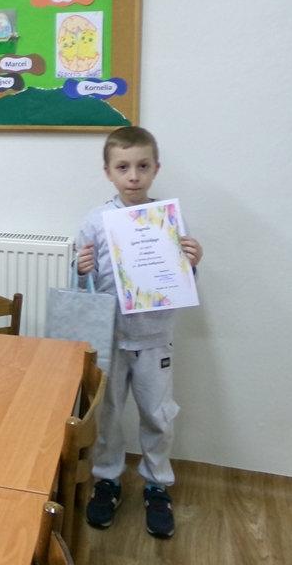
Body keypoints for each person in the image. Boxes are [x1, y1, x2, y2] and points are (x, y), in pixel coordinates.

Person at [74, 126, 203, 538]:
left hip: (154, 340)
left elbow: (179, 281)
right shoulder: (95, 221)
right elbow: (81, 290)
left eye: (143, 167)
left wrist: (192, 263)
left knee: (157, 416)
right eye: (123, 167)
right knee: (108, 415)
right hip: (109, 338)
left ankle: (156, 485)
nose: (133, 176)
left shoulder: (167, 221)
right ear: (108, 172)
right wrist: (81, 271)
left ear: (155, 169)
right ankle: (107, 480)